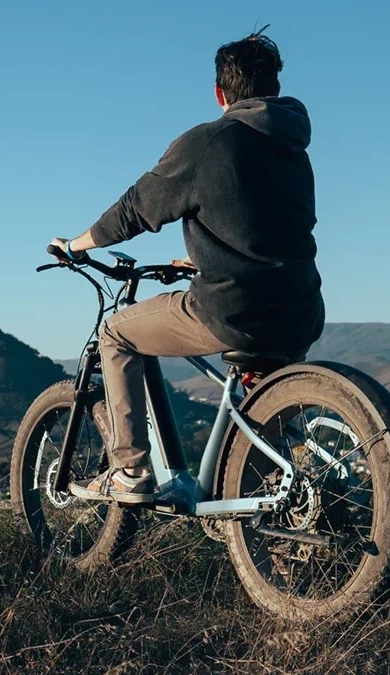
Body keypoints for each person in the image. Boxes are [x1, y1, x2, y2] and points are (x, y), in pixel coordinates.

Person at [50, 29, 323, 504]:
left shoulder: (210, 141)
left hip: (232, 309)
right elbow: (263, 223)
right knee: (262, 426)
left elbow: (137, 208)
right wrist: (201, 256)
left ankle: (130, 473)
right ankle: (276, 542)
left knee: (117, 335)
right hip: (299, 310)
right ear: (275, 88)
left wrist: (78, 244)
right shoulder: (292, 148)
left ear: (221, 93)